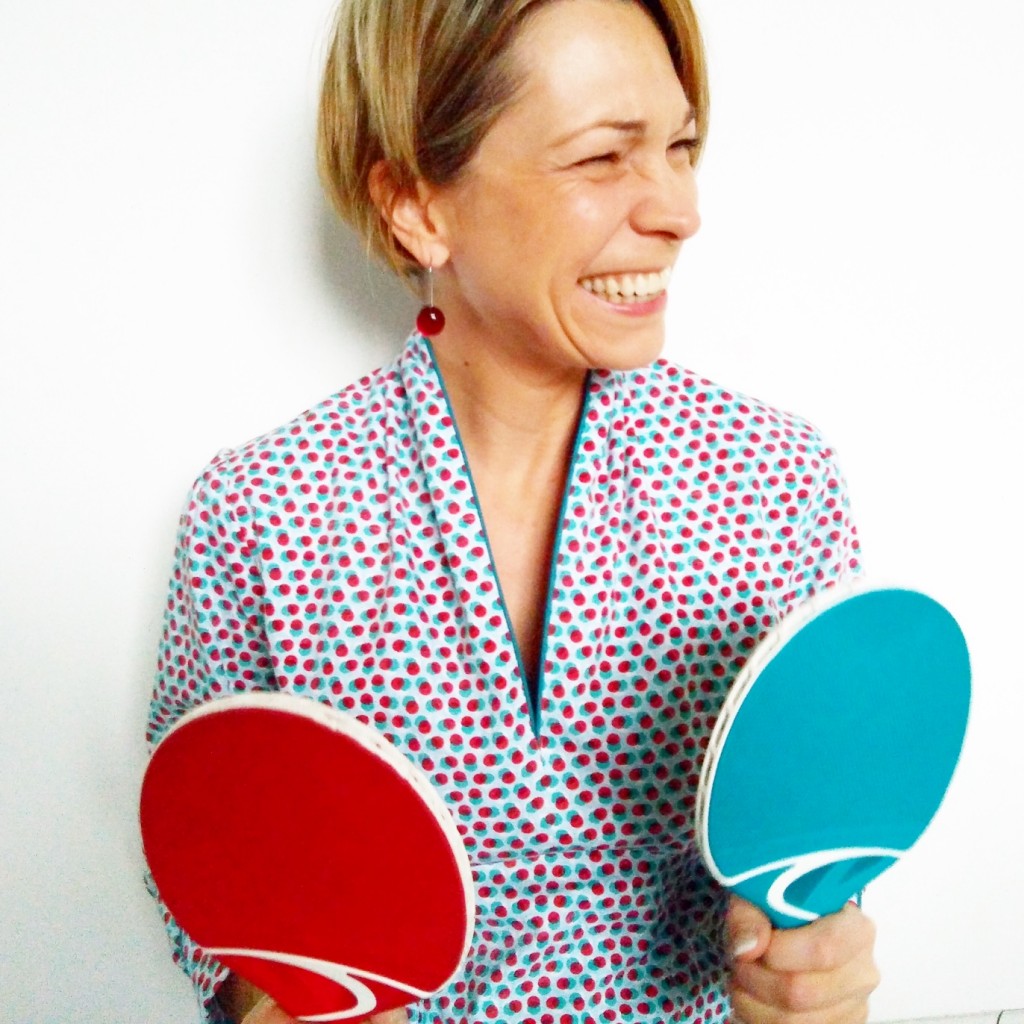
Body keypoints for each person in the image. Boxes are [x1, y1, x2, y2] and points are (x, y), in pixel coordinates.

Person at [146, 0, 880, 1022]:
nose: (680, 209)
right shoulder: (258, 517)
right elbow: (212, 866)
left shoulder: (777, 484)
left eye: (679, 147)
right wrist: (273, 1001)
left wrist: (813, 984)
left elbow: (815, 841)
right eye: (601, 157)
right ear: (417, 207)